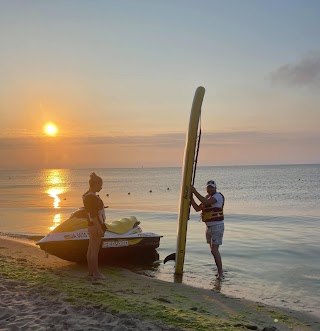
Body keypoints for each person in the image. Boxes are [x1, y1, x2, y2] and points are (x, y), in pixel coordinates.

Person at [191, 180, 225, 280]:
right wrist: (191, 197)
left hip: (217, 227)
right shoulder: (207, 197)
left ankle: (220, 273)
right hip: (209, 227)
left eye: (211, 187)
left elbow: (206, 203)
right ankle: (219, 271)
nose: (210, 189)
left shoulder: (218, 196)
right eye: (208, 187)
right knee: (212, 250)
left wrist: (194, 191)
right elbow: (197, 208)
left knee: (215, 250)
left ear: (215, 188)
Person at [82, 172, 107, 279]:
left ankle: (90, 272)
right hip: (95, 225)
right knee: (94, 251)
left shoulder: (86, 195)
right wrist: (99, 228)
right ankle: (96, 273)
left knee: (90, 250)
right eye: (100, 185)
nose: (101, 187)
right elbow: (93, 214)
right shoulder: (92, 197)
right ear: (95, 184)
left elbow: (90, 211)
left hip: (90, 225)